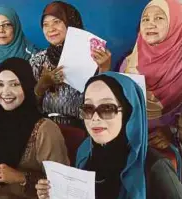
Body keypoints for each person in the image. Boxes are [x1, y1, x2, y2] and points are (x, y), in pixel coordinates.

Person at [36, 72, 182, 199]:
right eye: (88, 108)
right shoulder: (85, 151)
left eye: (107, 108)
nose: (95, 118)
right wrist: (56, 193)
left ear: (129, 113)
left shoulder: (155, 167)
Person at [0, 57, 69, 199]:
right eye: (0, 84)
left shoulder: (45, 130)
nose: (6, 92)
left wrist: (20, 178)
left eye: (15, 84)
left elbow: (61, 186)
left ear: (27, 86)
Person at [31, 1, 111, 127]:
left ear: (71, 24)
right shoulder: (38, 61)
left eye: (57, 22)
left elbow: (101, 101)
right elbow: (26, 105)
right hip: (46, 128)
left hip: (83, 129)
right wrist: (42, 85)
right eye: (45, 25)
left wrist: (104, 68)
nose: (51, 29)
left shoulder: (92, 56)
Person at [120, 0, 182, 151]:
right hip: (131, 144)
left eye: (159, 18)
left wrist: (172, 132)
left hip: (171, 147)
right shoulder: (129, 63)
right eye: (145, 19)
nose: (150, 24)